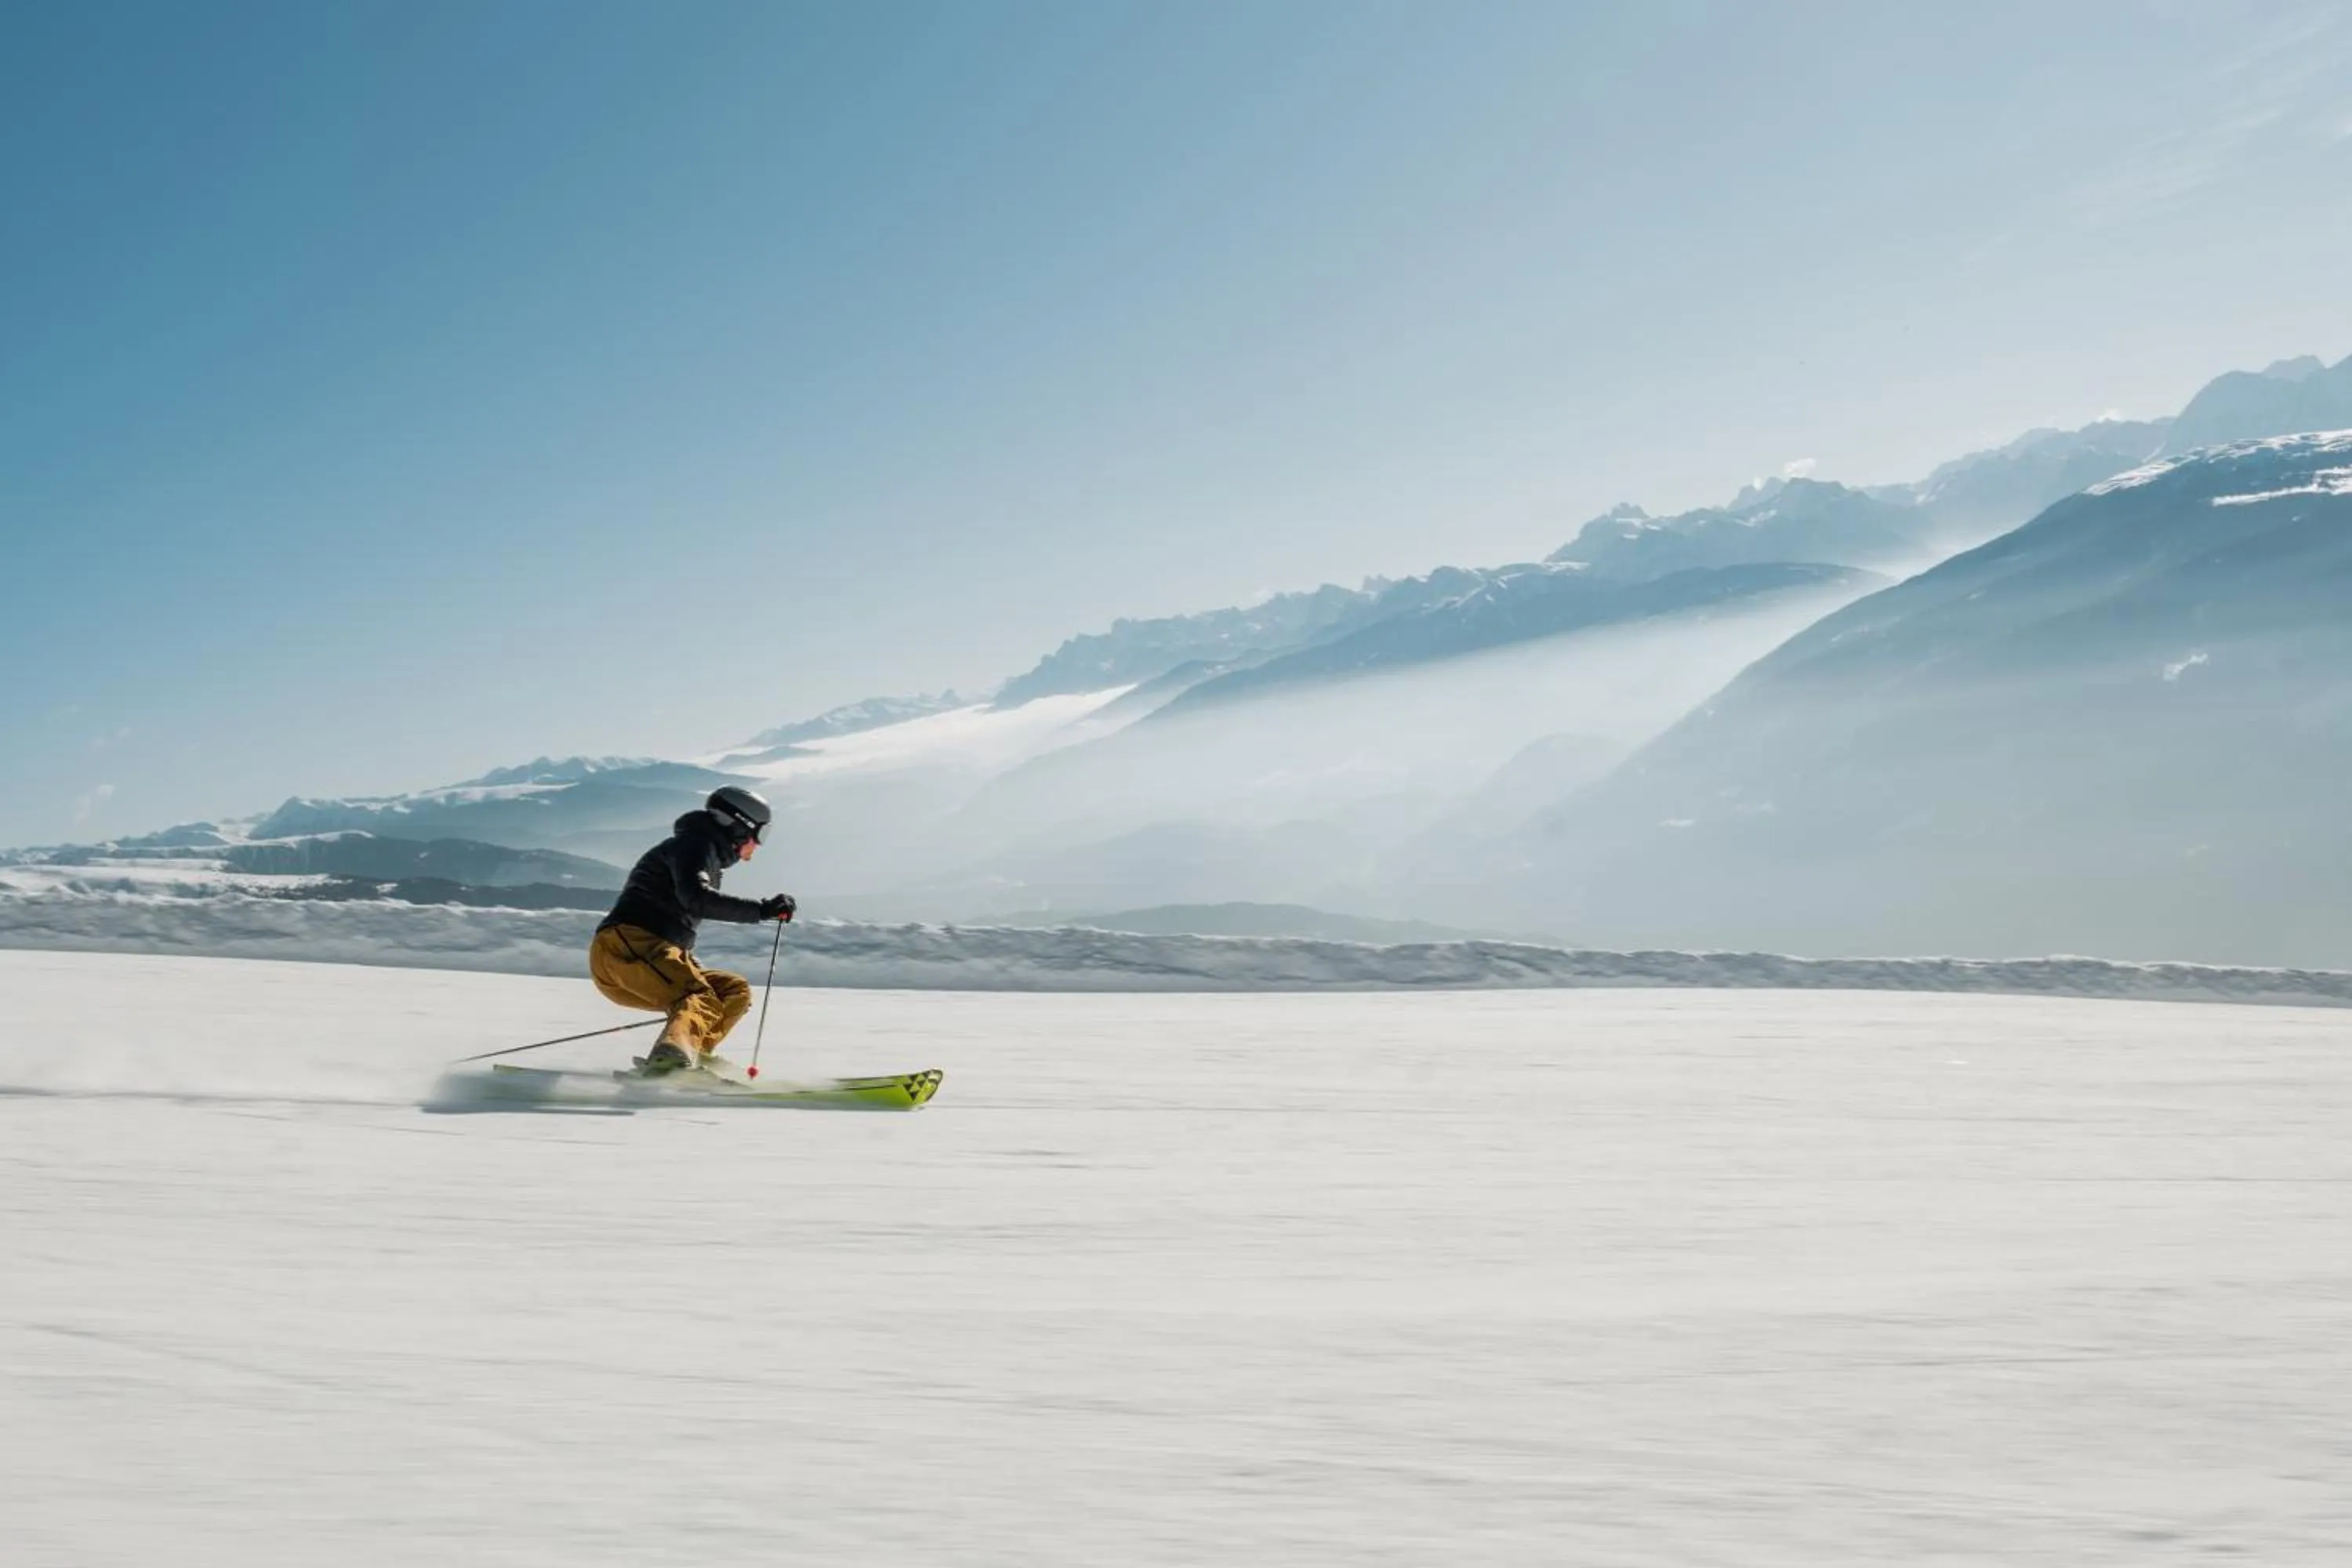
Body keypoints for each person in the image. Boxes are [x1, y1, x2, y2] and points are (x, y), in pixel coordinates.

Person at [590, 785, 797, 1074]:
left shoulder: (702, 853)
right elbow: (697, 899)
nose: (758, 846)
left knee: (731, 990)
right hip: (628, 948)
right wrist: (762, 910)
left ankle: (692, 1052)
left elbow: (682, 915)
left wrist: (688, 963)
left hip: (652, 952)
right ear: (739, 827)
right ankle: (672, 1056)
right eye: (760, 834)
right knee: (699, 995)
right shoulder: (692, 847)